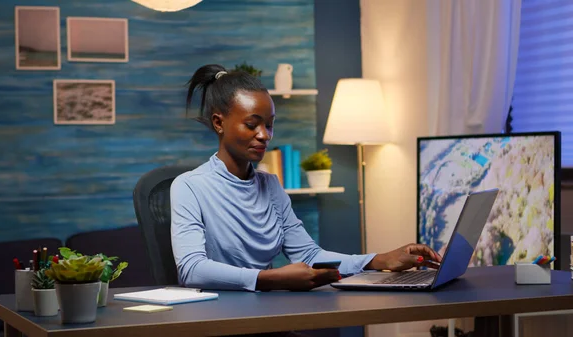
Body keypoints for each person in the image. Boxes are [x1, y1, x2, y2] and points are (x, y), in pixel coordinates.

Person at [170, 64, 442, 292]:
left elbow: (310, 256)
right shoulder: (189, 187)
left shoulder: (271, 186)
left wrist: (382, 259)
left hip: (267, 315)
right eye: (252, 125)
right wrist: (269, 279)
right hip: (218, 321)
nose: (265, 135)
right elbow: (192, 270)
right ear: (219, 123)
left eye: (270, 124)